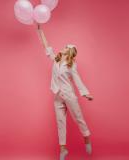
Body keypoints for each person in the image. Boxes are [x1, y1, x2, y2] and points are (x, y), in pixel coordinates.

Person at [36, 23, 93, 160]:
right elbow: (46, 45)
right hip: (57, 95)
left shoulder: (71, 65)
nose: (64, 47)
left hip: (69, 95)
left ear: (69, 52)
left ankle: (86, 137)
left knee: (78, 118)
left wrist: (85, 93)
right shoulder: (55, 59)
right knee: (60, 122)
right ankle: (63, 150)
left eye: (66, 47)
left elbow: (77, 79)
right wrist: (39, 30)